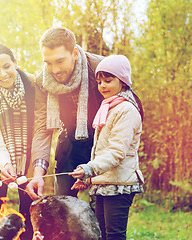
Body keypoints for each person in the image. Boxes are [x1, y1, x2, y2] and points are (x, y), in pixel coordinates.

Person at [69, 55, 145, 240]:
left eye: (108, 80)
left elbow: (116, 152)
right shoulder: (109, 107)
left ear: (123, 81)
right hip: (104, 183)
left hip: (118, 184)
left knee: (114, 236)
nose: (102, 85)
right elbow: (101, 151)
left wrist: (89, 169)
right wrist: (89, 178)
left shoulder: (126, 110)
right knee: (100, 235)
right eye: (99, 81)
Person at [25, 27, 104, 200]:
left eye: (59, 61)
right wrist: (38, 174)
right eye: (48, 62)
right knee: (63, 205)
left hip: (103, 144)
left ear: (74, 53)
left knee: (101, 209)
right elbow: (41, 128)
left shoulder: (100, 68)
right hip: (70, 142)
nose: (54, 70)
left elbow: (127, 109)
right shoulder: (42, 82)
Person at [0, 43, 35, 240]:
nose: (3, 74)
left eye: (7, 66)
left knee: (28, 208)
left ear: (15, 63)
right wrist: (5, 164)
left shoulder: (34, 87)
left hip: (28, 152)